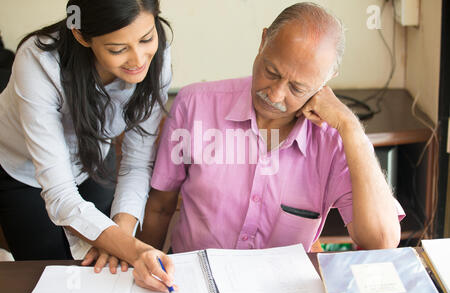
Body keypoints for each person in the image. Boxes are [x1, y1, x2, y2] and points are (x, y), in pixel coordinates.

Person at [141, 2, 405, 254]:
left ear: (325, 81)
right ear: (263, 40)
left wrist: (352, 129)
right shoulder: (194, 105)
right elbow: (160, 208)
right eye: (271, 72)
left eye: (297, 88)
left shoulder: (332, 140)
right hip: (196, 279)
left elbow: (381, 241)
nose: (275, 95)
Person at [0, 0, 174, 292]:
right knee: (47, 272)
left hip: (93, 158)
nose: (138, 60)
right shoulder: (38, 60)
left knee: (106, 266)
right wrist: (134, 250)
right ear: (81, 35)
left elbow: (136, 163)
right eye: (117, 49)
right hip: (23, 169)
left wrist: (121, 240)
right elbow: (59, 194)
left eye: (146, 38)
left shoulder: (157, 58)